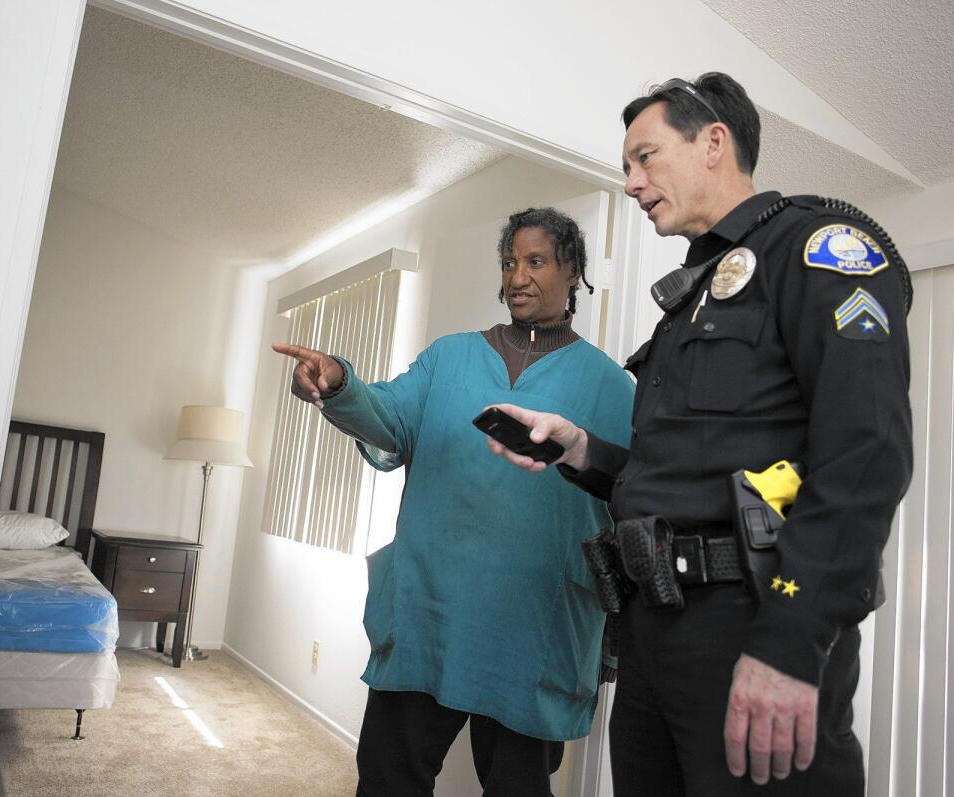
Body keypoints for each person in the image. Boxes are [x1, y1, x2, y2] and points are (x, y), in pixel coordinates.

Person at [484, 73, 912, 796]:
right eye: (626, 166)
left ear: (714, 142)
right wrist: (581, 449)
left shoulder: (819, 249)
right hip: (657, 631)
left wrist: (788, 645)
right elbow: (683, 472)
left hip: (755, 619)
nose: (631, 182)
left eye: (645, 157)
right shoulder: (691, 295)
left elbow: (865, 456)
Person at [272, 207, 634, 796]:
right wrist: (337, 382)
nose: (517, 277)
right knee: (390, 780)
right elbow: (388, 416)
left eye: (536, 261)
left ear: (574, 271)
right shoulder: (450, 357)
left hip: (535, 626)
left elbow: (633, 493)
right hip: (428, 612)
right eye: (510, 262)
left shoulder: (611, 386)